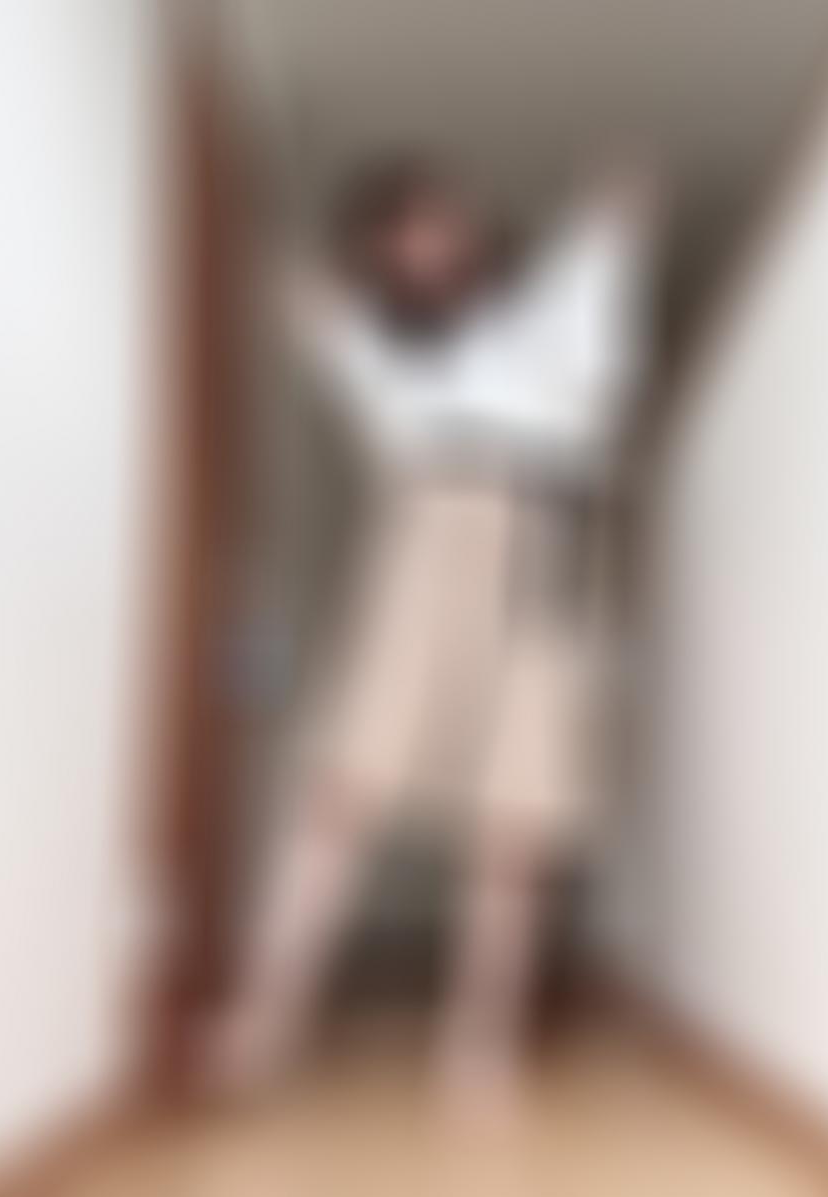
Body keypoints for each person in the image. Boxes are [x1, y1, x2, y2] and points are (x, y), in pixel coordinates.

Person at [201, 153, 659, 1106]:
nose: (429, 241)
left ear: (471, 225)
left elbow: (601, 325)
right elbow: (324, 326)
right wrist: (315, 298)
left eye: (440, 218)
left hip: (548, 537)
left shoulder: (551, 310)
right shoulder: (384, 350)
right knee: (344, 783)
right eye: (402, 232)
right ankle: (268, 1009)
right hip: (430, 529)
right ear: (382, 256)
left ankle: (480, 1038)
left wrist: (612, 227)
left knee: (516, 812)